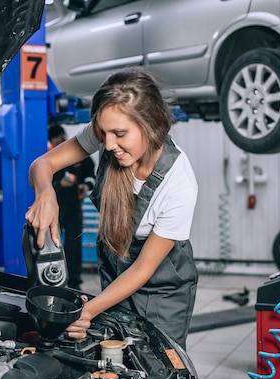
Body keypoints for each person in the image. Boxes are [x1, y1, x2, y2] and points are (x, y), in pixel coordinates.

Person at [25, 68, 199, 349]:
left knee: (156, 373)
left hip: (162, 293)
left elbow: (142, 269)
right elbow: (42, 165)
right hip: (117, 276)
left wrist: (89, 311)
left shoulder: (179, 183)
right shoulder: (109, 133)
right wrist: (46, 193)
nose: (107, 145)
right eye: (102, 133)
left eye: (119, 134)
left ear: (152, 123)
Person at [47, 124, 95, 290]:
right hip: (56, 210)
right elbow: (45, 183)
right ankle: (54, 280)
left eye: (62, 137)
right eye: (56, 139)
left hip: (74, 208)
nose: (60, 141)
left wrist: (85, 186)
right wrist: (60, 184)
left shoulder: (77, 155)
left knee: (74, 247)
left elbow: (91, 175)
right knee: (53, 245)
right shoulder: (50, 157)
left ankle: (74, 283)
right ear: (51, 141)